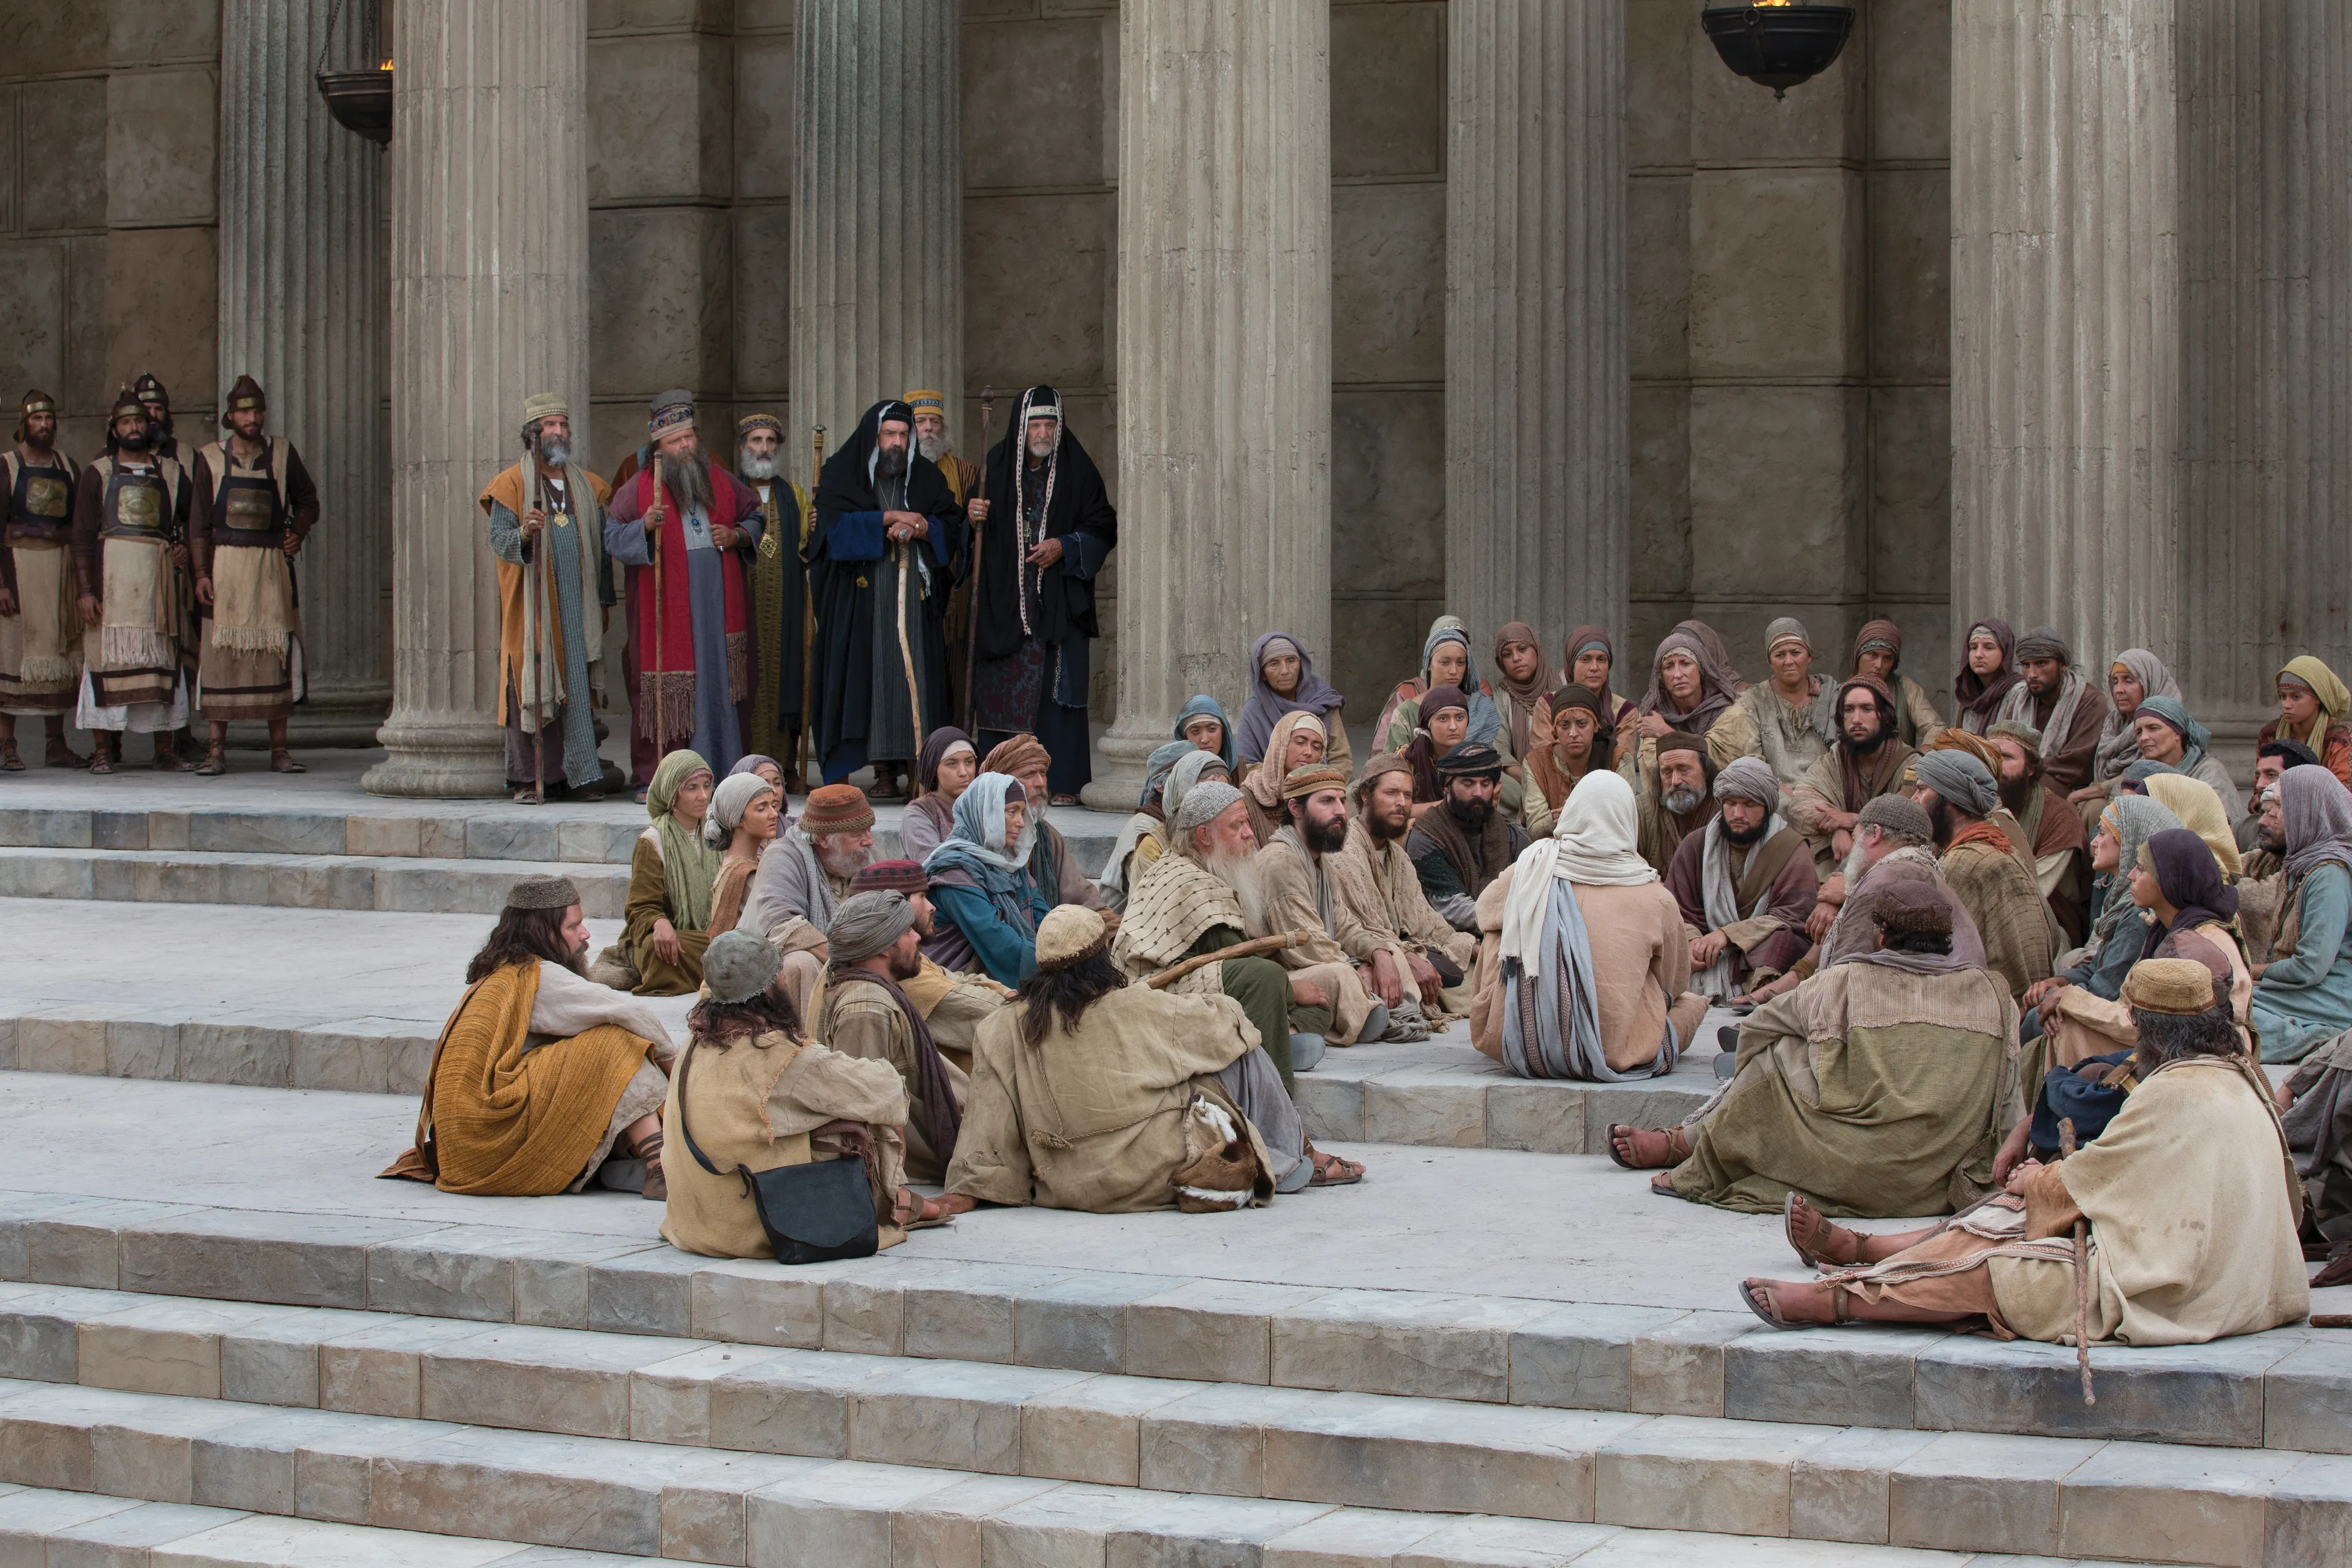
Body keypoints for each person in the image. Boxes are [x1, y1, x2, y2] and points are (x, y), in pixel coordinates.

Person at [1743, 958, 2307, 1347]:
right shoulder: (2241, 1076)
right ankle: (1867, 1255)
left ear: (2153, 1031)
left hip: (2188, 1290)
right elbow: (2124, 1174)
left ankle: (1840, 1300)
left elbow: (2093, 1178)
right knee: (2014, 1212)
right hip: (2239, 1275)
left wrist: (2036, 1181)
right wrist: (2046, 1181)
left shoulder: (2174, 1092)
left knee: (2010, 1269)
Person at [1619, 881, 2020, 1216]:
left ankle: (1700, 1149)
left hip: (1851, 1168)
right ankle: (1693, 1140)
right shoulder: (1994, 994)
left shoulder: (1845, 980)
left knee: (1775, 1053)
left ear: (1881, 934)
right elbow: (2008, 1096)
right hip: (1936, 1178)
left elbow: (1758, 1028)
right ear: (1947, 940)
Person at [948, 905, 1313, 1209]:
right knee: (1235, 1052)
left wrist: (972, 1187)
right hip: (1153, 1177)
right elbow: (1229, 1024)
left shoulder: (1000, 1028)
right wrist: (1210, 1002)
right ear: (1101, 957)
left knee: (1193, 1059)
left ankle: (1290, 1151)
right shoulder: (1138, 1005)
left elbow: (988, 1120)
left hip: (1066, 1185)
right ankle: (1288, 1155)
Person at [662, 929, 954, 1257]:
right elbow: (883, 1090)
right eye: (781, 975)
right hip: (752, 1222)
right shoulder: (777, 1054)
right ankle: (896, 1201)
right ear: (771, 987)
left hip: (694, 1220)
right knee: (862, 1116)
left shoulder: (695, 1041)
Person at [382, 875, 674, 1199]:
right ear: (543, 932)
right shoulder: (539, 976)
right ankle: (660, 1168)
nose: (585, 934)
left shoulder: (502, 971)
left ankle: (618, 1163)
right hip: (491, 1134)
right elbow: (632, 1013)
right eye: (573, 927)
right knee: (618, 1044)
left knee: (597, 1047)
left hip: (465, 1144)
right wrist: (677, 1072)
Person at [1113, 780, 1358, 1134]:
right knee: (1267, 979)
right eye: (1237, 826)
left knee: (1317, 998)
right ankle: (1277, 1122)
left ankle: (1283, 1036)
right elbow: (1231, 961)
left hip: (1198, 983)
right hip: (1157, 997)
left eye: (1247, 823)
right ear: (1204, 836)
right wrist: (1288, 990)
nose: (1250, 835)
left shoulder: (1199, 866)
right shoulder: (1191, 883)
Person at [1476, 770, 1710, 1080]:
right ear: (1628, 820)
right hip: (1614, 1051)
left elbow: (1483, 912)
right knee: (1690, 1003)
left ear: (1573, 811)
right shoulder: (1656, 896)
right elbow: (1674, 982)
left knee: (1503, 925)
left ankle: (1519, 1023)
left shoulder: (1530, 869)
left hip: (1523, 1049)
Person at [805, 399, 966, 796]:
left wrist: (923, 527)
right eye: (889, 434)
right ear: (873, 437)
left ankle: (919, 773)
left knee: (914, 681)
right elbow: (829, 533)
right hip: (858, 604)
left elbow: (951, 524)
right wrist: (887, 518)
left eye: (903, 435)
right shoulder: (841, 474)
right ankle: (856, 779)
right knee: (859, 681)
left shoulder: (926, 478)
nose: (897, 442)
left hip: (913, 604)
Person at [605, 391, 764, 788]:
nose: (685, 446)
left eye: (689, 437)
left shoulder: (720, 480)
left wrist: (738, 535)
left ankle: (725, 766)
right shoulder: (637, 489)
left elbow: (755, 514)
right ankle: (663, 776)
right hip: (667, 611)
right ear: (659, 447)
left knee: (720, 682)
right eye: (676, 441)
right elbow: (611, 537)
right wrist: (643, 525)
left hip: (717, 606)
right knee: (666, 686)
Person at [964, 386, 1114, 802]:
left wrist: (1065, 545)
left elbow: (1103, 526)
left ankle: (1062, 781)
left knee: (1056, 695)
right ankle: (1000, 781)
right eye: (1036, 425)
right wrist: (972, 519)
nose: (1044, 433)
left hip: (1057, 606)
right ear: (1021, 427)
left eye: (1050, 424)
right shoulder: (994, 467)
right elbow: (969, 542)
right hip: (1004, 606)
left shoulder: (1078, 470)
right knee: (1002, 694)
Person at [184, 375, 322, 775]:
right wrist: (201, 573)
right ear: (230, 416)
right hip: (225, 571)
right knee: (220, 659)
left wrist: (297, 532)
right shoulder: (209, 457)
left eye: (258, 411)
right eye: (245, 412)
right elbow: (197, 524)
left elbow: (309, 501)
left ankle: (279, 750)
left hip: (269, 571)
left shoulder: (282, 454)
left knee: (273, 656)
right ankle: (215, 750)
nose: (252, 418)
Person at [1733, 794, 1989, 1008]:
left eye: (1855, 839)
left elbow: (1840, 984)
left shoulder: (1882, 881)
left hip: (1922, 1010)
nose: (1853, 849)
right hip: (1950, 1002)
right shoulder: (1920, 868)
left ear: (1875, 835)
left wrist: (1778, 1014)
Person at [481, 392, 613, 801]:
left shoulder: (589, 486)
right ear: (531, 435)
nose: (558, 432)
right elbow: (499, 541)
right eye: (549, 426)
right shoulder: (510, 485)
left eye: (562, 425)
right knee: (532, 687)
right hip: (532, 609)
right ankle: (530, 779)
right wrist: (524, 532)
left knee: (576, 691)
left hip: (578, 610)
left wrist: (605, 600)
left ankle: (577, 778)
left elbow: (602, 553)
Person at [812, 890, 974, 1184]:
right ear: (884, 947)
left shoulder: (876, 991)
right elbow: (868, 1111)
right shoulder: (866, 1008)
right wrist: (892, 1187)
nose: (917, 937)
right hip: (929, 1163)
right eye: (908, 931)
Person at [71, 386, 193, 772]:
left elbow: (197, 521)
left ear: (149, 425)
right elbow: (81, 536)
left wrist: (185, 548)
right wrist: (85, 591)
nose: (134, 427)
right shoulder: (98, 473)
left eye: (139, 420)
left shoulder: (172, 473)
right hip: (111, 587)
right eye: (125, 422)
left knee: (161, 661)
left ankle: (164, 750)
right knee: (104, 662)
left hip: (156, 588)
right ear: (114, 429)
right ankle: (103, 751)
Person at [1328, 754, 1479, 1027]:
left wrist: (1480, 951)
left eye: (1408, 796)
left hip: (1404, 949)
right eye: (1391, 793)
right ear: (1365, 795)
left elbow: (1428, 924)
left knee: (1485, 975)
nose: (1402, 803)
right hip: (1366, 955)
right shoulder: (1343, 851)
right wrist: (1407, 956)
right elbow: (1354, 929)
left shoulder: (1398, 857)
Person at [1248, 763, 1390, 1049]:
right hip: (1281, 970)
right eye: (1327, 801)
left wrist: (1377, 952)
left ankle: (1367, 1010)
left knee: (1391, 956)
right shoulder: (1280, 862)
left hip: (1311, 961)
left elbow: (1343, 924)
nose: (1341, 811)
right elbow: (1307, 944)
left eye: (1342, 800)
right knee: (1340, 976)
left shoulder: (1320, 861)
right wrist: (1356, 971)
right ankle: (1357, 1014)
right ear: (1296, 809)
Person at [1665, 755, 1818, 1001]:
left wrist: (1728, 935)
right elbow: (1677, 911)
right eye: (1731, 803)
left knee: (1783, 940)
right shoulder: (1695, 845)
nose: (1738, 813)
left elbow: (1793, 917)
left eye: (1749, 804)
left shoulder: (1791, 848)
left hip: (1758, 953)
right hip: (1708, 955)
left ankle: (1760, 994)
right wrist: (1692, 943)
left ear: (1767, 807)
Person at [843, 859, 1012, 1071]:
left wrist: (1004, 991)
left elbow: (957, 978)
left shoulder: (896, 956)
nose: (932, 907)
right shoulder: (890, 970)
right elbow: (993, 1015)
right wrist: (1015, 999)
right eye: (922, 897)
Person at [1913, 749, 2053, 998]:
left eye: (1922, 790)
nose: (1914, 800)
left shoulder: (1964, 862)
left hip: (1995, 1004)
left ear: (1950, 799)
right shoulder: (2000, 845)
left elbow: (1933, 957)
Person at [737, 782, 876, 1020]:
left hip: (848, 964)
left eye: (869, 830)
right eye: (857, 834)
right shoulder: (782, 856)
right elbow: (782, 925)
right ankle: (806, 1040)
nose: (869, 841)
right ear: (822, 838)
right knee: (801, 964)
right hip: (766, 975)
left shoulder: (860, 858)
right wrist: (850, 962)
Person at [0, 389, 84, 769]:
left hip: (58, 569)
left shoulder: (68, 466)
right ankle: (7, 744)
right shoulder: (6, 467)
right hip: (18, 568)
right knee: (11, 656)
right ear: (24, 423)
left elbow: (79, 525)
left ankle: (56, 744)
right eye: (37, 418)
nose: (45, 425)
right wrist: (1, 583)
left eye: (49, 418)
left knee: (57, 658)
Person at [2248, 766, 2352, 1062]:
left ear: (2310, 810)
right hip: (2307, 989)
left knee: (2230, 1009)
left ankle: (2318, 1041)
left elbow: (2311, 968)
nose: (2269, 815)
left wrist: (2250, 971)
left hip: (2333, 994)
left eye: (2283, 805)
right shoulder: (2301, 864)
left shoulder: (2330, 874)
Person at [733, 412, 814, 786]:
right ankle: (745, 768)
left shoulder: (795, 495)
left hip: (786, 610)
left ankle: (785, 767)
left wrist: (815, 529)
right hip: (743, 606)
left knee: (787, 679)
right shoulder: (731, 493)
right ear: (743, 447)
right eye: (756, 441)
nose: (763, 448)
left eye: (770, 441)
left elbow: (807, 548)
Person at [1379, 615, 1525, 819]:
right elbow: (1391, 770)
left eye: (1461, 663)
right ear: (1429, 663)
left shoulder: (1480, 706)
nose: (1454, 671)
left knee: (1516, 795)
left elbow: (1493, 756)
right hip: (1420, 787)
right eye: (1445, 662)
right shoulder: (1406, 711)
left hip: (1475, 782)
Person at [922, 771, 1052, 984]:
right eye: (1012, 812)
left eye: (1022, 813)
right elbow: (1000, 944)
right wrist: (1059, 968)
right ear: (986, 814)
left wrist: (1065, 948)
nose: (1021, 822)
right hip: (957, 983)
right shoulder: (954, 874)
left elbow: (1043, 917)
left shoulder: (1010, 865)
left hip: (1012, 973)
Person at [1785, 674, 1918, 880]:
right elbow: (1801, 803)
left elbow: (1908, 815)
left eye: (1867, 709)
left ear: (1884, 716)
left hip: (1891, 864)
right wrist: (1837, 828)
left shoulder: (1911, 764)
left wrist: (1856, 820)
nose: (1856, 719)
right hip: (1840, 851)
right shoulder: (1836, 759)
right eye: (1849, 710)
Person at [616, 749, 723, 995]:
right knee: (657, 951)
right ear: (672, 793)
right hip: (673, 936)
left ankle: (714, 968)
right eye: (692, 788)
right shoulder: (653, 841)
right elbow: (640, 906)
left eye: (707, 786)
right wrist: (659, 922)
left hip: (710, 934)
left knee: (733, 944)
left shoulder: (717, 833)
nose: (703, 796)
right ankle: (721, 972)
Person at [982, 731, 1114, 916]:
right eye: (1029, 775)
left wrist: (1109, 921)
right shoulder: (976, 834)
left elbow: (1081, 896)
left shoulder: (1047, 836)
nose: (1040, 783)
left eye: (1043, 773)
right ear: (1002, 784)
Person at [1408, 741, 1531, 933]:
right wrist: (1517, 919)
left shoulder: (1506, 832)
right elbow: (1453, 909)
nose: (1478, 793)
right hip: (1450, 939)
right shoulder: (1425, 839)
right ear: (1447, 786)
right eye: (1468, 784)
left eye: (1486, 784)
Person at [1987, 720, 2090, 946]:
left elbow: (2033, 891)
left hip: (2049, 922)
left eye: (2007, 757)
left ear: (2031, 768)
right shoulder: (1974, 805)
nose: (1995, 765)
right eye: (1989, 755)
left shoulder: (2061, 816)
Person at [1994, 627, 2106, 794]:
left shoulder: (2089, 701)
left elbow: (2075, 763)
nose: (2032, 674)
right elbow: (2004, 744)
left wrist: (2026, 767)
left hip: (2070, 787)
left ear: (2062, 665)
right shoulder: (2019, 700)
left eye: (2041, 663)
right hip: (2023, 777)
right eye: (2026, 665)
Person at [1632, 625, 1750, 782]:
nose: (1677, 674)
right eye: (1669, 667)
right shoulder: (1652, 715)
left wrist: (1664, 732)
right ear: (1661, 676)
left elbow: (1721, 762)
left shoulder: (1730, 711)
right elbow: (1656, 772)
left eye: (1685, 664)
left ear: (1701, 669)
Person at [2073, 649, 2180, 813]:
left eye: (2129, 681)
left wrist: (2084, 794)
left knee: (2094, 809)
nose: (2119, 690)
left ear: (2149, 683)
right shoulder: (2114, 723)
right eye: (2115, 682)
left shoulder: (2169, 722)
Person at [1727, 618, 1828, 788]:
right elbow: (1752, 762)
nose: (1788, 661)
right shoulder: (1752, 702)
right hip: (1773, 794)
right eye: (1780, 655)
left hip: (1825, 795)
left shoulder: (1830, 698)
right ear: (1770, 661)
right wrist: (1782, 793)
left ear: (1809, 656)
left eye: (1796, 653)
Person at [2122, 694, 2244, 829]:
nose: (2143, 738)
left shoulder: (2208, 772)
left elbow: (2218, 827)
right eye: (2139, 732)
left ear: (2177, 733)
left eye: (2153, 728)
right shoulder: (2137, 771)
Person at [1819, 619, 1943, 750]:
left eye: (1887, 658)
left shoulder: (1905, 688)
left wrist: (1923, 754)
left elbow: (1936, 727)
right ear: (1859, 655)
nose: (1879, 665)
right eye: (1873, 655)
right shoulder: (1840, 692)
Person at [1100, 739, 1194, 912]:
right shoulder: (1142, 830)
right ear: (1162, 786)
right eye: (1190, 776)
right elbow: (1159, 900)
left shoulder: (1184, 820)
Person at [1239, 630, 1351, 772]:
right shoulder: (1254, 710)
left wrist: (1320, 781)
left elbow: (1341, 760)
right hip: (1271, 784)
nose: (1285, 671)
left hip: (1322, 782)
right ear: (1262, 674)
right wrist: (1290, 781)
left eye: (1291, 661)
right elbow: (1246, 766)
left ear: (1301, 665)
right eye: (1274, 664)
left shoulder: (1323, 701)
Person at [1524, 684, 1621, 829]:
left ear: (1596, 726)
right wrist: (1568, 816)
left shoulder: (1617, 759)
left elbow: (1624, 820)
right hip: (1555, 843)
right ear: (1555, 730)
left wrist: (1576, 813)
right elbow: (1536, 828)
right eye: (1565, 725)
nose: (1573, 733)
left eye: (1582, 724)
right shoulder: (1536, 763)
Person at [704, 770, 782, 938]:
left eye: (772, 805)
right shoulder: (744, 875)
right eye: (762, 809)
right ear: (738, 818)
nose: (774, 814)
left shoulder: (754, 860)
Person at [1240, 709, 1329, 845]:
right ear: (1281, 744)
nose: (1308, 752)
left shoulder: (1322, 796)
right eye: (1300, 742)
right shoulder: (1249, 796)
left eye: (1316, 747)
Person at [1637, 731, 1720, 875]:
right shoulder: (1644, 809)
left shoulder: (1724, 808)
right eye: (1667, 772)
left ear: (1706, 771)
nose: (1675, 781)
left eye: (1684, 770)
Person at [2261, 656, 2352, 786]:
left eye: (2296, 697)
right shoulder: (2270, 734)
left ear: (2318, 698)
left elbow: (2341, 790)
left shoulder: (2338, 736)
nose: (2286, 705)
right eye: (2283, 696)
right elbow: (2261, 784)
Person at [1489, 622, 1559, 780]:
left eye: (1522, 649)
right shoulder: (1501, 695)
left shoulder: (1563, 683)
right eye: (1507, 654)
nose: (1516, 658)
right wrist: (1531, 780)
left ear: (1537, 650)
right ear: (1501, 662)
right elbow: (1499, 748)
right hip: (1522, 781)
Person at [899, 726, 978, 865]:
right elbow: (935, 863)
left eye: (969, 762)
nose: (964, 772)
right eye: (952, 764)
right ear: (934, 769)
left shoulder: (981, 807)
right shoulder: (919, 814)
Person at [1560, 626, 1640, 764]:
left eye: (1602, 659)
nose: (1595, 667)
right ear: (1572, 664)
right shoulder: (1550, 705)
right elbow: (1545, 761)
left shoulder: (1624, 711)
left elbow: (1621, 764)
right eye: (1586, 659)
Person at [1400, 685, 1471, 812]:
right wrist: (1447, 806)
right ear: (1428, 724)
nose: (1453, 727)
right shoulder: (1406, 759)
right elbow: (1396, 810)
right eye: (1443, 719)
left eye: (1460, 717)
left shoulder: (1476, 760)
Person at [1952, 617, 2021, 737]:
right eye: (1973, 648)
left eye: (1989, 648)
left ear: (2005, 652)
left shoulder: (2018, 692)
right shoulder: (1968, 696)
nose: (1979, 655)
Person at [1174, 692, 1239, 772]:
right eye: (1196, 731)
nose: (1205, 740)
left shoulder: (1243, 774)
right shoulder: (1171, 776)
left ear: (1223, 732)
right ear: (1185, 738)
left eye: (1212, 729)